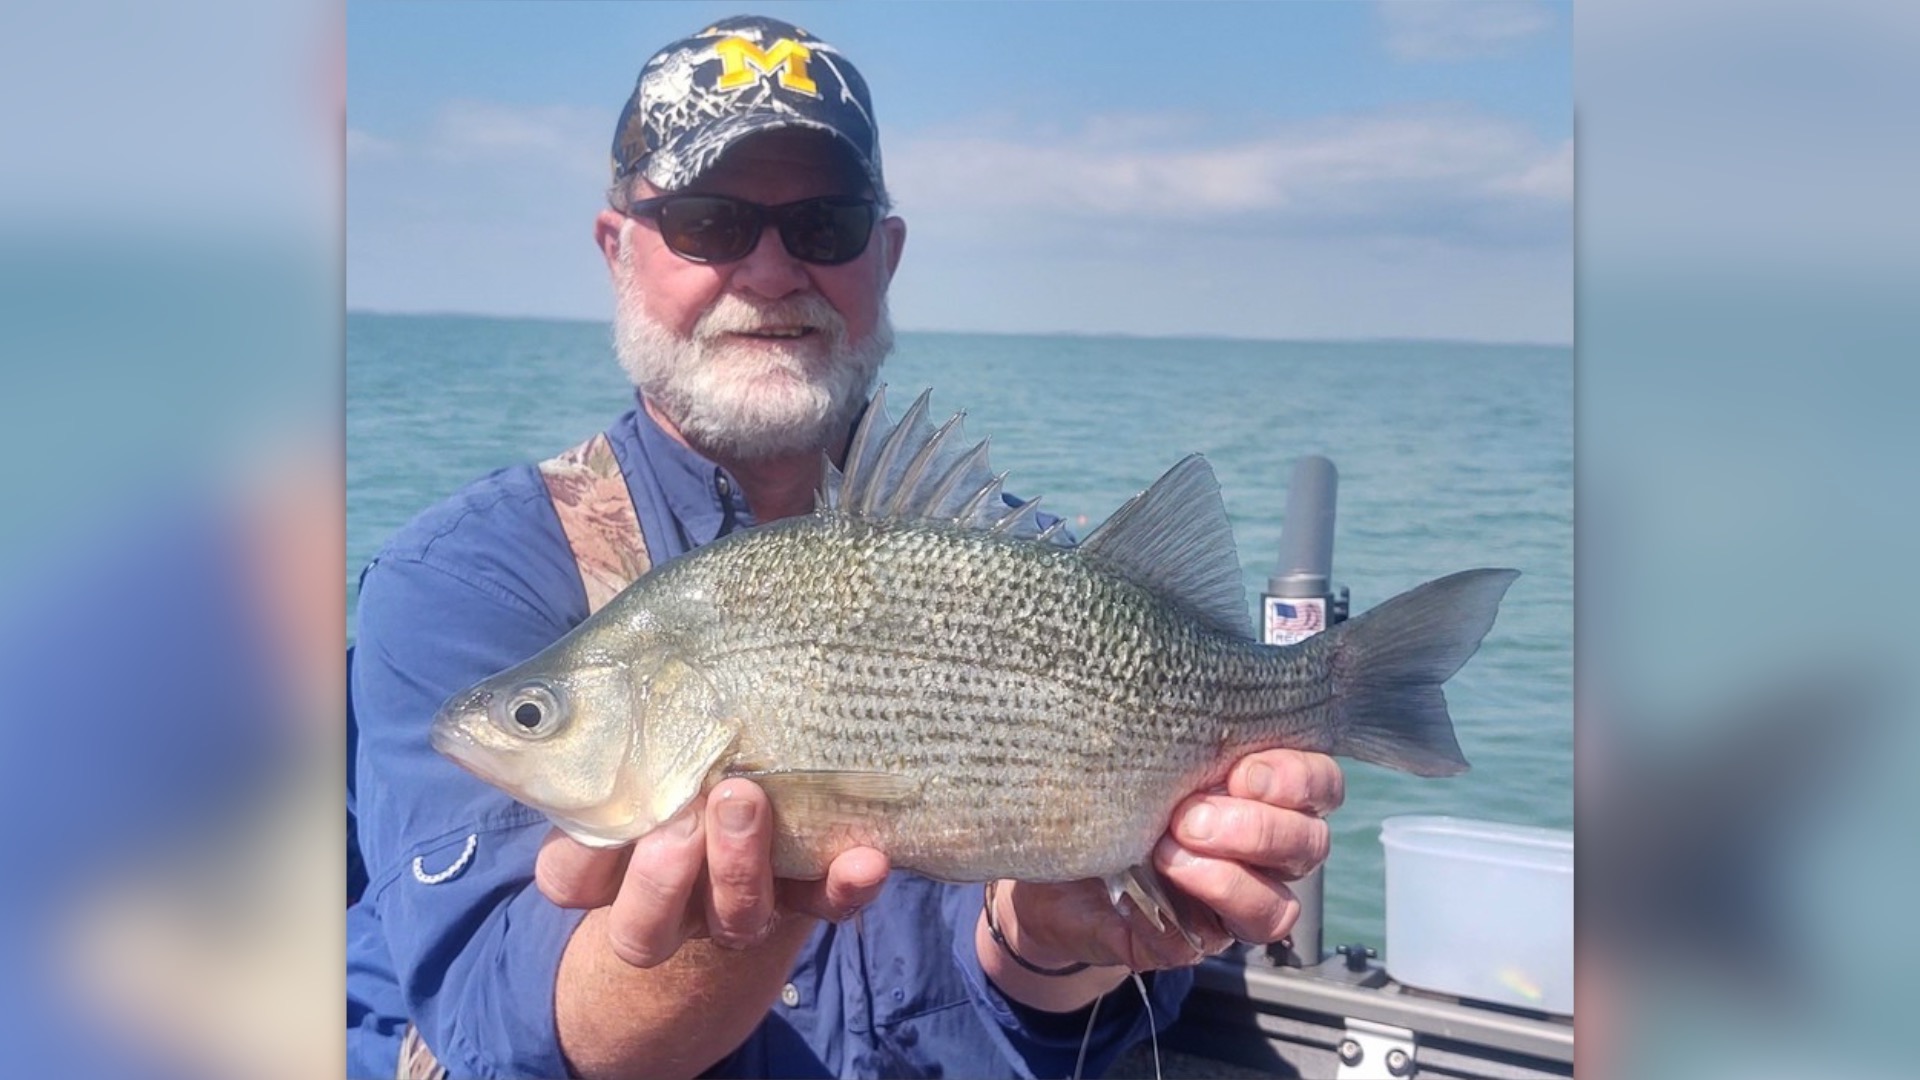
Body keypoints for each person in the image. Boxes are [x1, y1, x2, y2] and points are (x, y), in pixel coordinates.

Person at [347, 15, 1346, 1079]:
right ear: (618, 249)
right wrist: (736, 931)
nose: (771, 270)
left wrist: (1052, 945)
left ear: (887, 253)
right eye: (709, 221)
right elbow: (502, 1038)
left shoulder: (1032, 568)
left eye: (824, 222)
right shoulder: (461, 584)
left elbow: (1057, 1011)